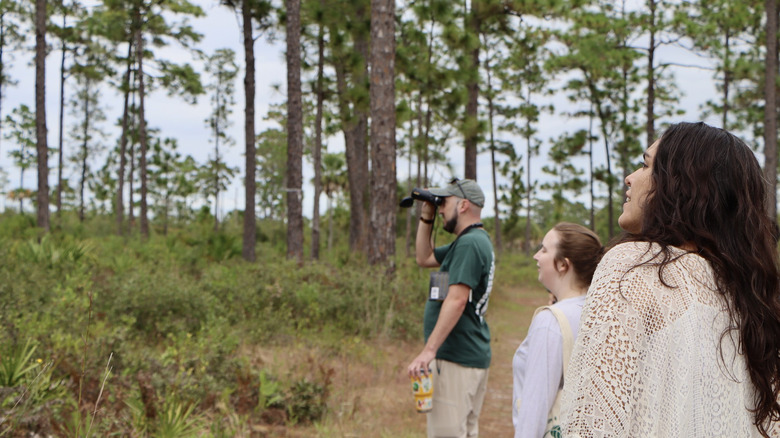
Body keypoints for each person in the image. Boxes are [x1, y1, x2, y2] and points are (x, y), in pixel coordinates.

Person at [561, 122, 780, 437]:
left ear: (682, 185)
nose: (630, 177)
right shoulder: (753, 301)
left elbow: (592, 422)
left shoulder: (634, 266)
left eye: (647, 165)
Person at [407, 178, 495, 438]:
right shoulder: (468, 242)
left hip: (457, 358)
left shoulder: (470, 244)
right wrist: (427, 215)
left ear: (464, 205)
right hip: (467, 358)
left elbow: (456, 299)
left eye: (444, 203)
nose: (441, 209)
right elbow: (424, 258)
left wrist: (428, 351)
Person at [512, 222, 603, 438]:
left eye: (544, 249)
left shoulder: (550, 322)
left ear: (563, 264)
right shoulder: (602, 312)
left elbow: (535, 406)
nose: (536, 256)